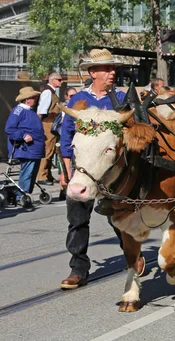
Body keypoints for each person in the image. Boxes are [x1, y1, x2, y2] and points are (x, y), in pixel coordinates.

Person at [60, 48, 144, 289]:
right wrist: (66, 170)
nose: (111, 73)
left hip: (112, 172)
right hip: (83, 170)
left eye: (113, 68)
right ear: (93, 72)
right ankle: (78, 269)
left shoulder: (121, 99)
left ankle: (133, 255)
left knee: (117, 217)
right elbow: (67, 136)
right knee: (77, 219)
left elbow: (131, 134)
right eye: (106, 69)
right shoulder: (77, 101)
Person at [5, 87, 45, 204]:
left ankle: (25, 194)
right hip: (26, 148)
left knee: (32, 173)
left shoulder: (29, 110)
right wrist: (23, 136)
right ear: (27, 99)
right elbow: (10, 129)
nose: (36, 99)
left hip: (34, 148)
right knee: (27, 173)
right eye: (34, 97)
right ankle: (22, 195)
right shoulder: (19, 111)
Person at [36, 72, 63, 185]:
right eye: (59, 80)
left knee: (51, 150)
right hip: (48, 124)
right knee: (48, 149)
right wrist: (38, 126)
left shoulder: (52, 92)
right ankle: (42, 176)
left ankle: (48, 174)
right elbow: (42, 111)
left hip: (52, 123)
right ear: (52, 80)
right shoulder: (48, 92)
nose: (61, 82)